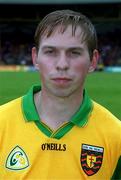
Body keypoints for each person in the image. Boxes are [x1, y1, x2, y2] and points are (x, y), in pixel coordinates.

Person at [0, 9, 121, 179]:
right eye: (51, 52)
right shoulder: (2, 123)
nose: (62, 64)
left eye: (74, 53)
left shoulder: (116, 136)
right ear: (35, 58)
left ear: (93, 61)